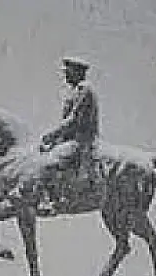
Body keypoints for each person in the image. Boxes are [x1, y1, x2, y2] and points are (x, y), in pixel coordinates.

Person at [38, 55, 100, 206]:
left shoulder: (85, 90)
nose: (65, 75)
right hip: (71, 138)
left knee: (50, 162)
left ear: (77, 72)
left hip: (81, 140)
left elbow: (73, 119)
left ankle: (54, 199)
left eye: (68, 72)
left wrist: (51, 135)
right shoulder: (75, 90)